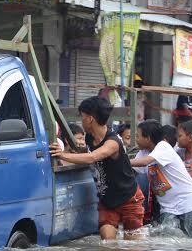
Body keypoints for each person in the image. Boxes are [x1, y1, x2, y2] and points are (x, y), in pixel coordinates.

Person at [50, 97, 145, 240]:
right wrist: (62, 149)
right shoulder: (89, 138)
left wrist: (62, 155)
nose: (81, 121)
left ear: (90, 119)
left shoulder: (113, 142)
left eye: (82, 117)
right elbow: (83, 152)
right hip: (107, 201)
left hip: (129, 199)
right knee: (107, 245)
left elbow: (92, 157)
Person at [130, 120, 192, 237]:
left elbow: (145, 162)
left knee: (191, 243)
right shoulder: (142, 153)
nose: (136, 140)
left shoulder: (163, 146)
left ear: (148, 138)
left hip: (187, 202)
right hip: (168, 207)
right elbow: (132, 173)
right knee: (164, 239)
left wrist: (122, 162)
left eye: (138, 136)